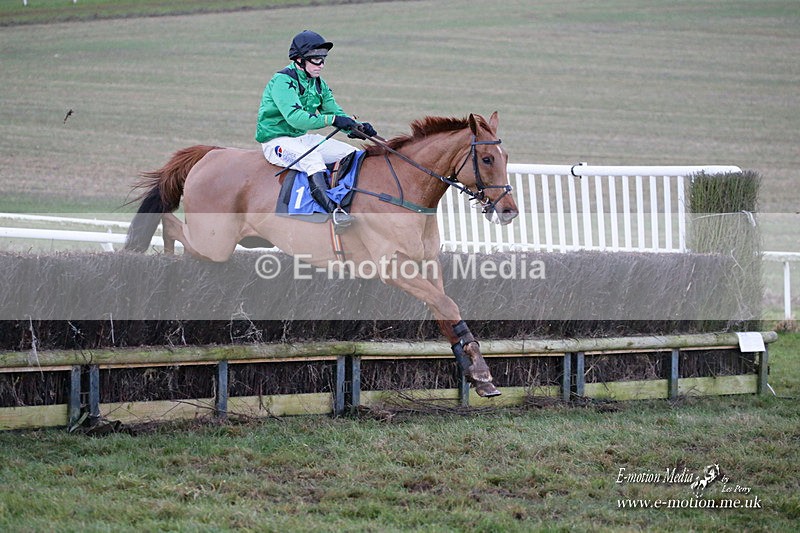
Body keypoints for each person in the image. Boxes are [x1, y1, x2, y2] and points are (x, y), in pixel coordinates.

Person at [256, 30, 377, 227]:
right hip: (276, 141)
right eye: (316, 60)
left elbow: (335, 111)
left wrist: (357, 127)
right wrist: (333, 119)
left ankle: (350, 200)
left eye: (323, 59)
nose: (321, 65)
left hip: (301, 139)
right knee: (313, 160)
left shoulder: (319, 83)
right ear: (299, 60)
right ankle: (333, 212)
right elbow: (296, 119)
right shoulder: (282, 81)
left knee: (353, 155)